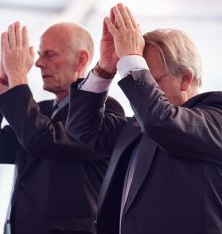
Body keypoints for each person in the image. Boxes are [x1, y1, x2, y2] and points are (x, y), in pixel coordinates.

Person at [66, 3, 222, 234]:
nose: (137, 95)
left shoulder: (214, 117)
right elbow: (81, 130)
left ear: (185, 79)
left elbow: (160, 121)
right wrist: (105, 68)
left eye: (151, 80)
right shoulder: (137, 127)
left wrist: (132, 60)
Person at [0, 21, 125, 234]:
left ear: (81, 59)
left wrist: (18, 78)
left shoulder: (104, 112)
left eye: (49, 55)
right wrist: (4, 78)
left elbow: (41, 139)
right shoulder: (39, 110)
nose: (39, 63)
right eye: (39, 54)